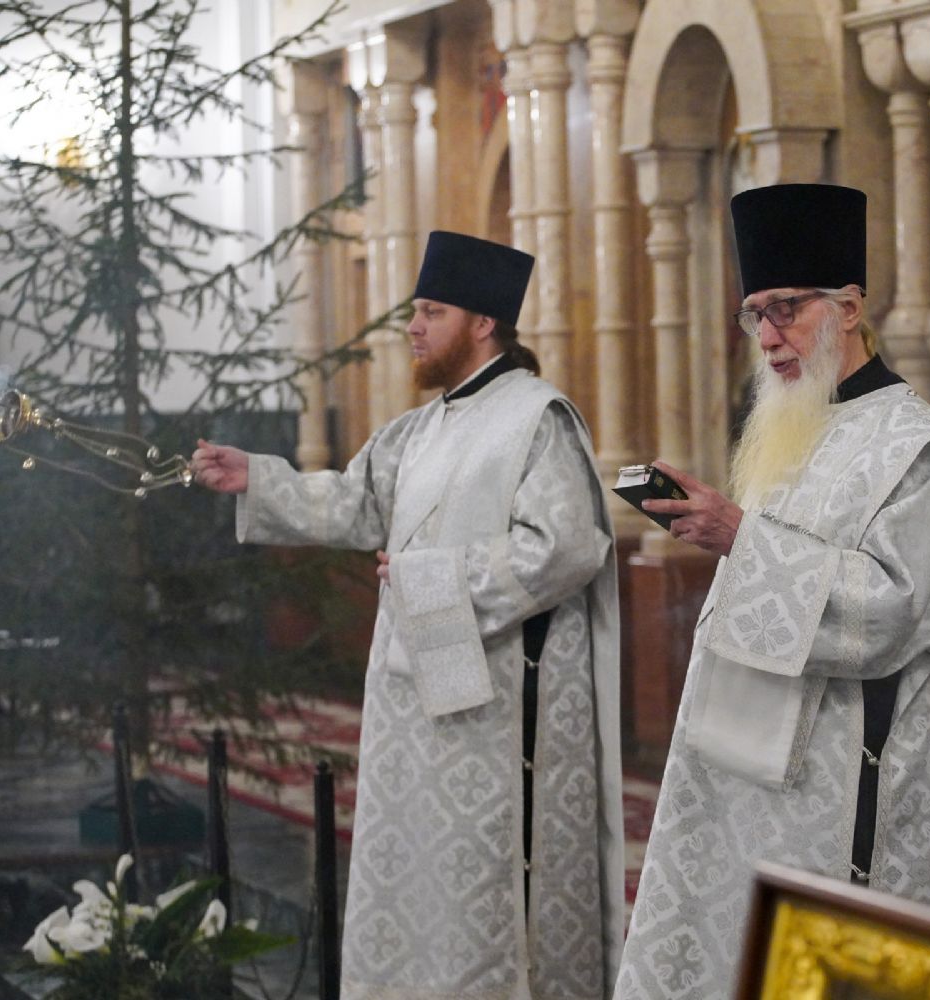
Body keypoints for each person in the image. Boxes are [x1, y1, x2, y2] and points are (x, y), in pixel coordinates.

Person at [191, 231, 624, 1000]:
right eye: (415, 312)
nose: (413, 328)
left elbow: (567, 547)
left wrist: (438, 577)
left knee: (482, 893)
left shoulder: (537, 418)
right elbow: (354, 502)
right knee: (422, 885)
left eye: (431, 312)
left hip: (495, 714)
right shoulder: (421, 427)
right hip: (417, 701)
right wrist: (255, 476)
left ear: (482, 323)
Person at [612, 183, 930, 997]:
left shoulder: (912, 445)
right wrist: (730, 533)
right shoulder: (791, 422)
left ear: (848, 307)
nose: (768, 336)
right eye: (755, 315)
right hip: (738, 751)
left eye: (786, 310)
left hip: (839, 773)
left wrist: (741, 537)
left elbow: (891, 611)